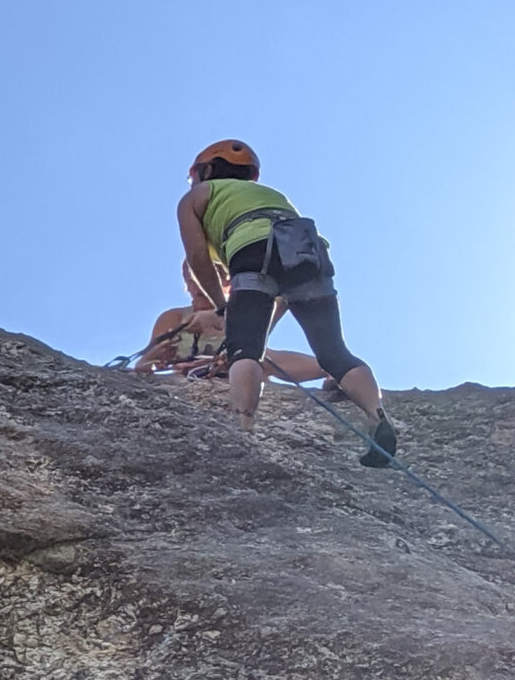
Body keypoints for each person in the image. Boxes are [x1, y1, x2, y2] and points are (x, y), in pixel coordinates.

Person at [173, 139, 398, 466]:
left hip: (251, 249)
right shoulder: (273, 196)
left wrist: (223, 307)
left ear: (205, 171)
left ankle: (244, 430)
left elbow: (197, 257)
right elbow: (282, 294)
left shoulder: (196, 197)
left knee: (245, 350)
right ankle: (378, 417)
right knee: (334, 351)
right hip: (305, 249)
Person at [133, 259, 322, 386]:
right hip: (187, 376)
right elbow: (145, 364)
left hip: (238, 372)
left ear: (226, 283)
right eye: (193, 281)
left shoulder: (242, 313)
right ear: (186, 283)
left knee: (262, 358)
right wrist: (157, 355)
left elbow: (281, 300)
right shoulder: (174, 318)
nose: (199, 287)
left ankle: (331, 371)